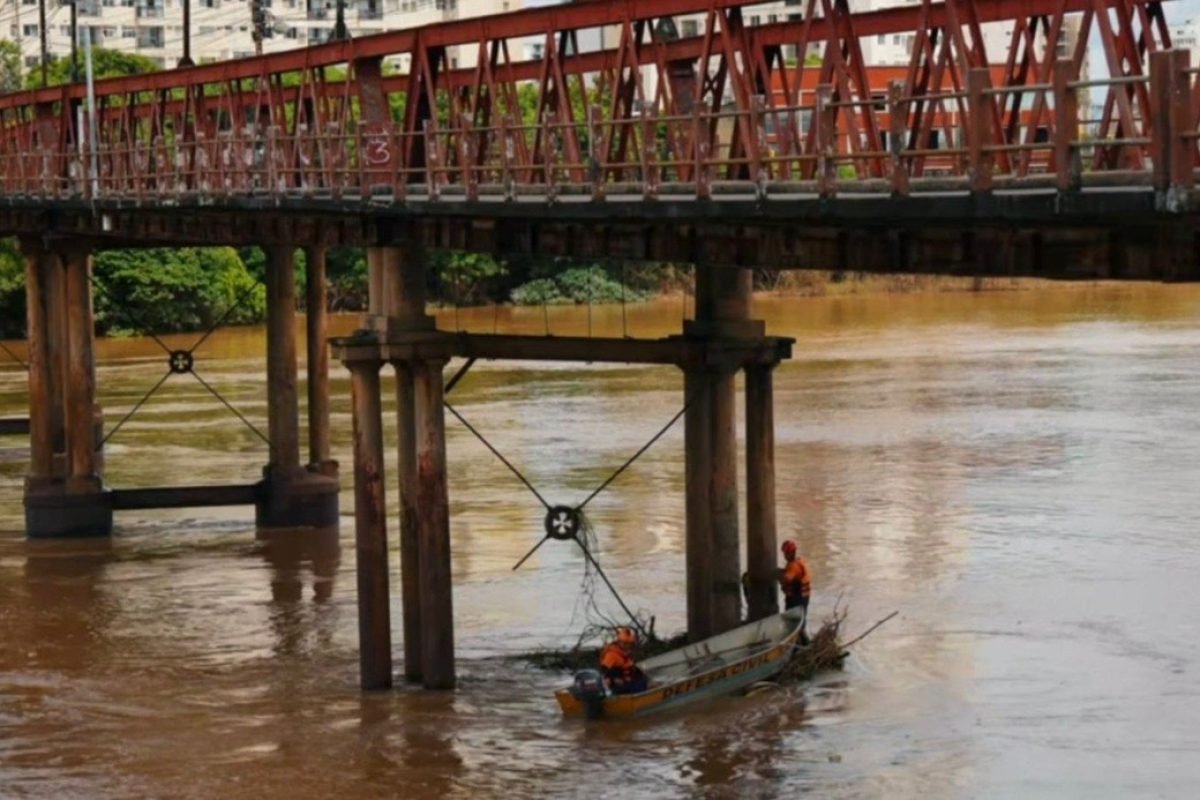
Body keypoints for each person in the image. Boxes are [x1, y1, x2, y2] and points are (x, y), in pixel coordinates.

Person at [598, 626, 648, 695]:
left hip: (628, 681)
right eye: (626, 644)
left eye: (629, 644)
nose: (629, 646)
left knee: (643, 681)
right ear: (621, 642)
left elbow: (630, 667)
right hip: (619, 685)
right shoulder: (611, 654)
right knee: (641, 685)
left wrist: (641, 673)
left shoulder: (624, 653)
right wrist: (613, 679)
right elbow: (604, 670)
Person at [779, 539, 812, 644]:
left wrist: (775, 575)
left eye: (785, 553)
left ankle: (798, 642)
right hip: (803, 597)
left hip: (797, 598)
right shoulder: (799, 562)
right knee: (800, 620)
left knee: (793, 621)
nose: (784, 555)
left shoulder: (793, 566)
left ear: (789, 553)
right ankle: (801, 640)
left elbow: (786, 579)